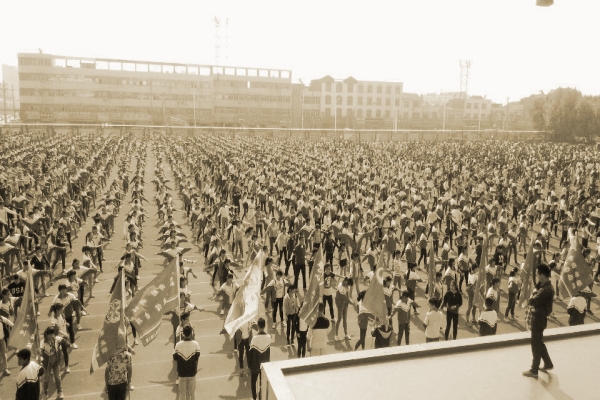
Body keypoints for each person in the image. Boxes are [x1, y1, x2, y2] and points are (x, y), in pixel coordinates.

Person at [523, 263, 554, 378]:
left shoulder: (545, 290)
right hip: (540, 317)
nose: (537, 276)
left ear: (542, 275)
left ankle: (534, 369)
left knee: (535, 343)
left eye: (538, 274)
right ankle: (548, 363)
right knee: (539, 342)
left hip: (538, 318)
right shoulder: (546, 286)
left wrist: (528, 296)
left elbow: (533, 301)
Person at [173, 325, 201, 400]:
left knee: (183, 394)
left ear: (183, 334)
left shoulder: (178, 345)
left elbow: (175, 357)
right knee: (192, 394)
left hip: (182, 373)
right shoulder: (195, 344)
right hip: (192, 373)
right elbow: (197, 356)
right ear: (191, 333)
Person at [40, 326, 66, 399]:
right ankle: (45, 393)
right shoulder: (43, 342)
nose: (52, 336)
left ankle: (60, 392)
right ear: (47, 335)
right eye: (51, 334)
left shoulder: (56, 339)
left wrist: (68, 344)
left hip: (55, 362)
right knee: (46, 378)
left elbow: (63, 341)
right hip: (47, 364)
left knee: (57, 377)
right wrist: (41, 357)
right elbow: (41, 351)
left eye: (53, 334)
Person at [248, 318, 271, 400]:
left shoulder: (254, 338)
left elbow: (250, 353)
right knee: (262, 383)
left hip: (255, 364)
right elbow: (268, 352)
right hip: (264, 365)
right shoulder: (268, 337)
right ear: (265, 326)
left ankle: (254, 398)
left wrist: (249, 366)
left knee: (253, 383)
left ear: (258, 326)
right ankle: (261, 397)